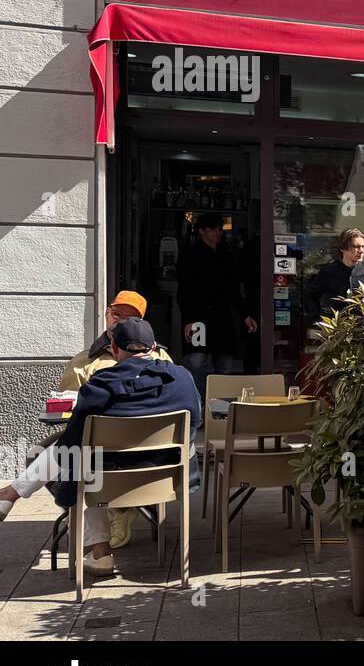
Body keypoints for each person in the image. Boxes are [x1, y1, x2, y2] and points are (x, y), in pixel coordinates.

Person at [0, 319, 201, 577]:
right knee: (83, 459)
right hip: (167, 477)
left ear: (114, 347)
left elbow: (71, 442)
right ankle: (11, 494)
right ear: (153, 347)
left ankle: (100, 553)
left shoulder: (100, 384)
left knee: (79, 462)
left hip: (108, 483)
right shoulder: (182, 378)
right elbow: (196, 422)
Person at [177, 212, 258, 399]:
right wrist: (189, 320)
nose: (217, 233)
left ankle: (218, 411)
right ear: (201, 231)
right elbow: (184, 292)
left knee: (224, 364)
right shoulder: (191, 256)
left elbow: (234, 291)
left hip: (223, 317)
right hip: (199, 317)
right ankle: (197, 406)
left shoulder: (226, 255)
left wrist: (245, 315)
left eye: (219, 229)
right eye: (213, 229)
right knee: (197, 360)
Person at [58, 291, 173, 391]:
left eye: (130, 318)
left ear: (140, 322)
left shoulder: (160, 357)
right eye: (117, 314)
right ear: (107, 313)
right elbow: (67, 411)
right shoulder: (81, 365)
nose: (122, 321)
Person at [307, 228, 364, 320]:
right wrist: (320, 318)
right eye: (356, 247)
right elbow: (311, 295)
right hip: (338, 328)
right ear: (343, 248)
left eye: (363, 247)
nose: (361, 251)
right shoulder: (329, 272)